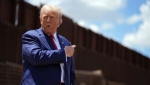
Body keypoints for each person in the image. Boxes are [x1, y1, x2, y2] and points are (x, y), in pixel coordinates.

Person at [21, 4, 76, 85]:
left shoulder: (66, 42)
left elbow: (70, 71)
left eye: (52, 17)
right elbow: (36, 57)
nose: (48, 20)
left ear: (59, 22)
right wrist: (63, 53)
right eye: (45, 17)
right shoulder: (30, 36)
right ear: (40, 20)